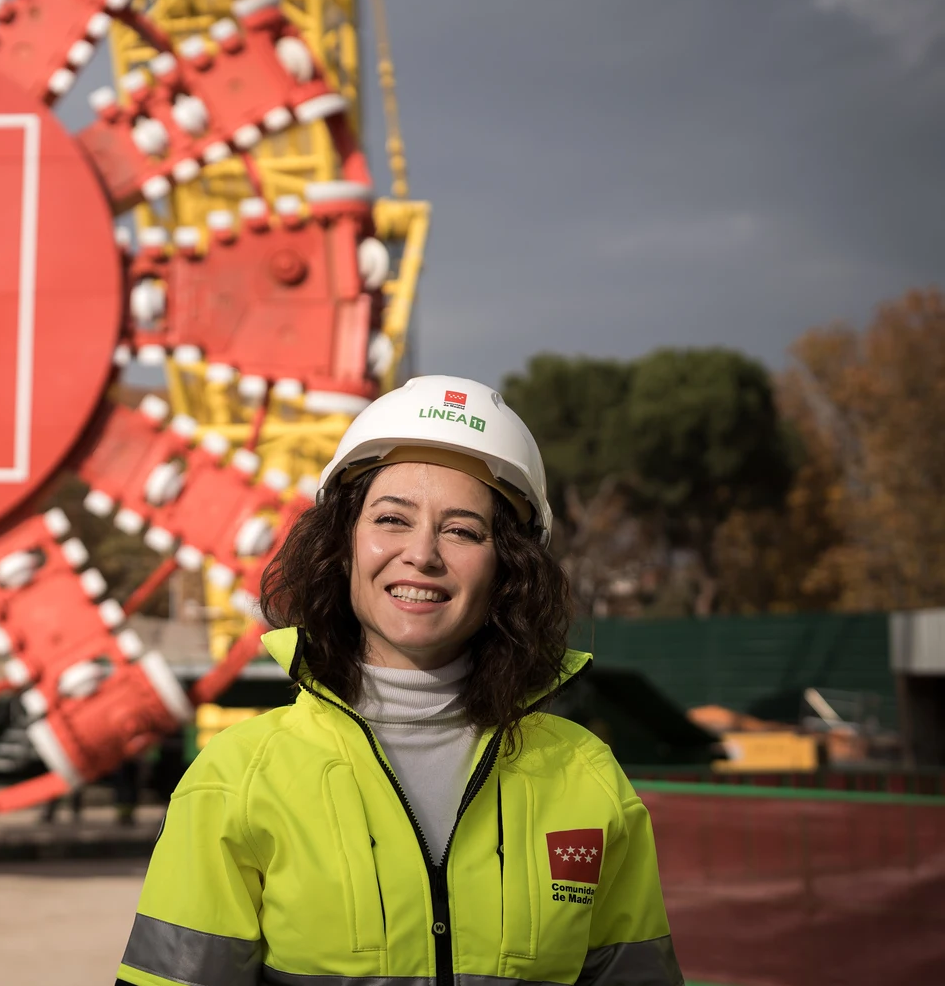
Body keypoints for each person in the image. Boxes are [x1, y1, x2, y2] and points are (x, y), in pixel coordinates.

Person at [117, 376, 682, 986]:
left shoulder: (587, 779)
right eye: (391, 519)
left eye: (462, 530)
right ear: (344, 546)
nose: (422, 554)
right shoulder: (237, 780)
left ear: (508, 569)